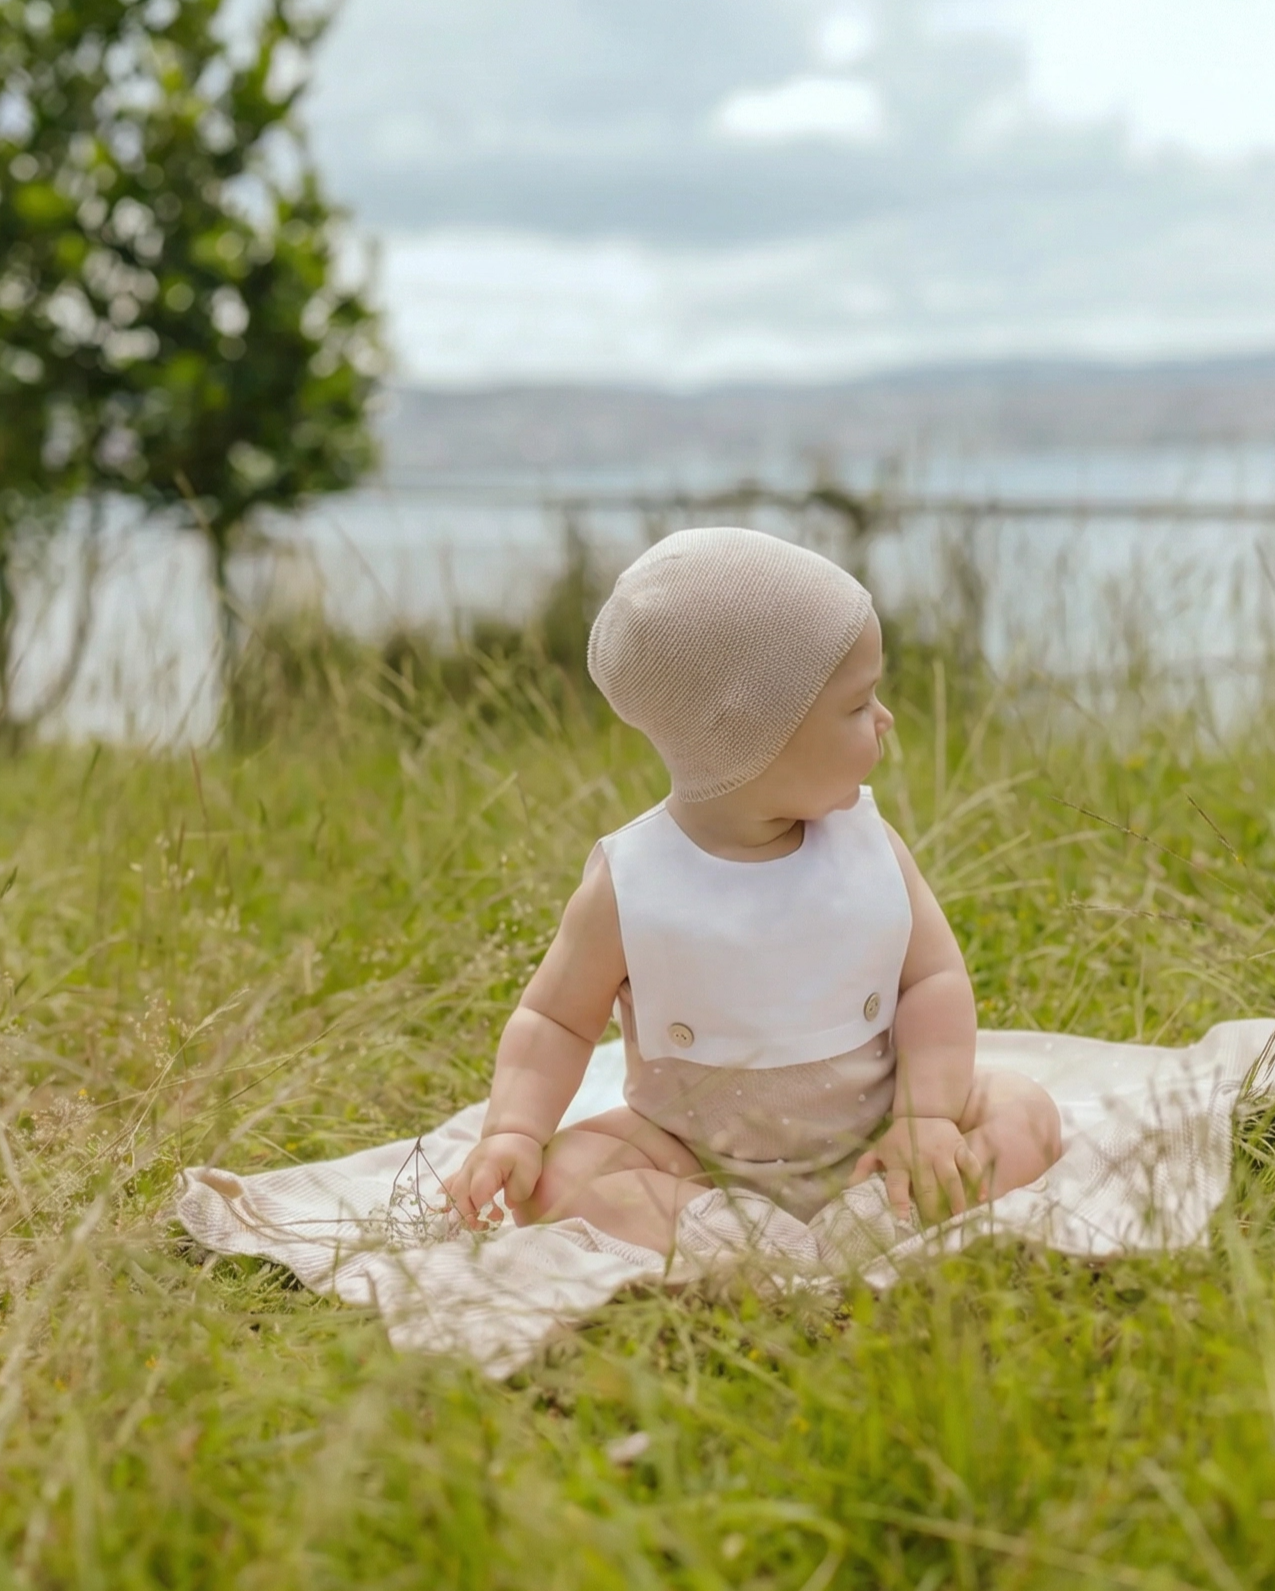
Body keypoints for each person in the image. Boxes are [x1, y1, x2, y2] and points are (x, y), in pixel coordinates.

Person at [442, 527, 1064, 1254]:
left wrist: (923, 1116)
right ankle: (738, 1237)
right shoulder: (632, 884)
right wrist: (515, 1130)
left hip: (878, 1131)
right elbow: (554, 1020)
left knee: (1023, 1108)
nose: (885, 719)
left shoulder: (869, 850)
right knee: (558, 1178)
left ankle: (880, 1208)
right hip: (692, 1156)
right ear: (754, 735)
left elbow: (933, 979)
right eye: (859, 704)